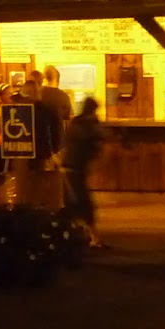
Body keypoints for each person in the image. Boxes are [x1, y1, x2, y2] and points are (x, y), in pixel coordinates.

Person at [62, 95, 108, 247]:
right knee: (82, 203)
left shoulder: (78, 123)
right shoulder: (84, 125)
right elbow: (94, 137)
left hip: (73, 166)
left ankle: (76, 235)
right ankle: (90, 236)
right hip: (74, 167)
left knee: (75, 203)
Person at [38, 65, 75, 135]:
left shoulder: (37, 93)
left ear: (44, 77)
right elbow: (69, 117)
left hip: (39, 133)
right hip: (57, 134)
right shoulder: (63, 96)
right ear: (57, 78)